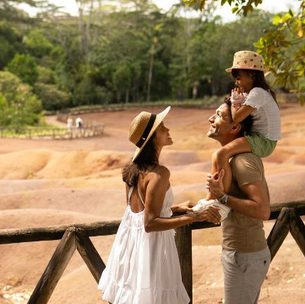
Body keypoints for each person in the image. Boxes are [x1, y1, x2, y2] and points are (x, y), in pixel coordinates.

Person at [98, 107, 221, 304]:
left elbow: (139, 212)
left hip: (130, 246)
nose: (168, 129)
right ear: (152, 138)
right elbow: (150, 223)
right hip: (151, 248)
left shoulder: (133, 168)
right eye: (162, 127)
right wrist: (194, 217)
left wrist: (173, 208)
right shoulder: (159, 173)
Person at [205, 97, 271, 304]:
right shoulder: (231, 159)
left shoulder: (243, 161)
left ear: (235, 127)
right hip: (239, 253)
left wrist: (223, 196)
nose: (211, 118)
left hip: (246, 255)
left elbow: (262, 211)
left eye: (219, 115)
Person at [210, 50, 280, 196]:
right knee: (222, 153)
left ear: (252, 75)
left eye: (239, 78)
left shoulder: (258, 93)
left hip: (264, 141)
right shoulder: (254, 93)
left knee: (222, 153)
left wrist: (235, 101)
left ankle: (222, 192)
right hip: (260, 139)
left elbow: (236, 118)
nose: (237, 82)